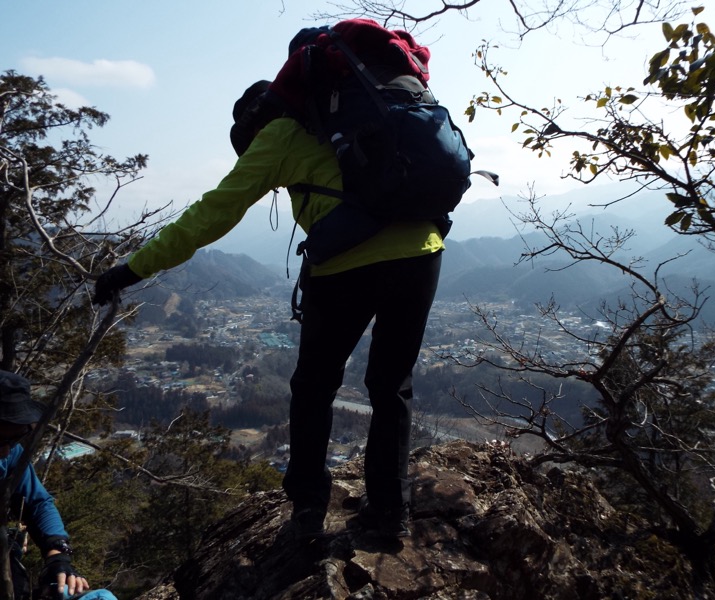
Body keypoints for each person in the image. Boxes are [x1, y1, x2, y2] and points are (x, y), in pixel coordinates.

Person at [93, 23, 444, 541]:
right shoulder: (375, 111)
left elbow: (211, 214)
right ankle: (391, 515)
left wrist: (131, 268)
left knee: (314, 387)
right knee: (391, 388)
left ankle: (307, 511)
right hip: (423, 249)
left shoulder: (281, 134)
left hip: (346, 264)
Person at [0, 370, 117, 600]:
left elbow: (38, 503)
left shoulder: (10, 456)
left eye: (15, 439)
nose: (5, 449)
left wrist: (58, 556)